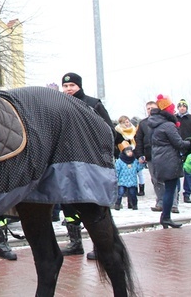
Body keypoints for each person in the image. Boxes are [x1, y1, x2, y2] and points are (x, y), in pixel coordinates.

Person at [59, 72, 122, 260]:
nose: (69, 89)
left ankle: (101, 244)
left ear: (79, 86)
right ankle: (75, 242)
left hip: (91, 162)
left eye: (72, 86)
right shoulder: (59, 104)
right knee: (69, 204)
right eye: (66, 86)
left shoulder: (93, 104)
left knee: (95, 203)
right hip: (67, 161)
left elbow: (109, 131)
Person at [149, 94, 191, 228]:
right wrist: (190, 142)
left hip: (159, 159)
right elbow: (179, 143)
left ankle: (165, 217)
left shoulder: (154, 124)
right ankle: (166, 217)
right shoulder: (168, 125)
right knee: (170, 190)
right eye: (172, 108)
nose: (174, 111)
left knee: (167, 189)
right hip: (169, 160)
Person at [135, 101, 164, 212]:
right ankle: (160, 201)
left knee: (167, 179)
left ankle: (171, 202)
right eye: (148, 108)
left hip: (163, 154)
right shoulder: (143, 123)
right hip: (150, 154)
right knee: (155, 179)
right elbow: (139, 139)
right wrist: (140, 154)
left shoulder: (163, 121)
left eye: (152, 108)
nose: (150, 110)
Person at [176, 99, 191, 204]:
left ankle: (187, 193)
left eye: (184, 106)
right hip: (176, 147)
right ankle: (175, 193)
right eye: (180, 106)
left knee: (188, 172)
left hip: (189, 148)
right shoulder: (174, 118)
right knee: (175, 172)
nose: (182, 108)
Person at [115, 115, 145, 196]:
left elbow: (138, 140)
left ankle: (141, 188)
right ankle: (124, 189)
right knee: (124, 172)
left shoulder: (134, 130)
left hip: (134, 152)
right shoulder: (118, 131)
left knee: (139, 171)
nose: (127, 124)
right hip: (123, 153)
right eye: (125, 122)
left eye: (128, 121)